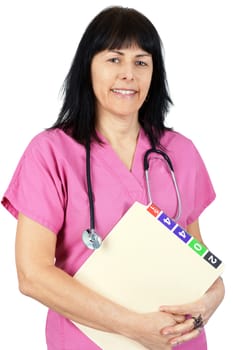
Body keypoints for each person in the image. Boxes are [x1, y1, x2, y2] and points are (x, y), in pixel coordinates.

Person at [1, 5, 224, 350]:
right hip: (87, 342)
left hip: (176, 342)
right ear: (87, 68)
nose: (128, 74)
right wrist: (135, 327)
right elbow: (33, 275)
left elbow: (199, 258)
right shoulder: (50, 152)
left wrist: (211, 300)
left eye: (141, 61)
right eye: (114, 59)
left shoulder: (180, 153)